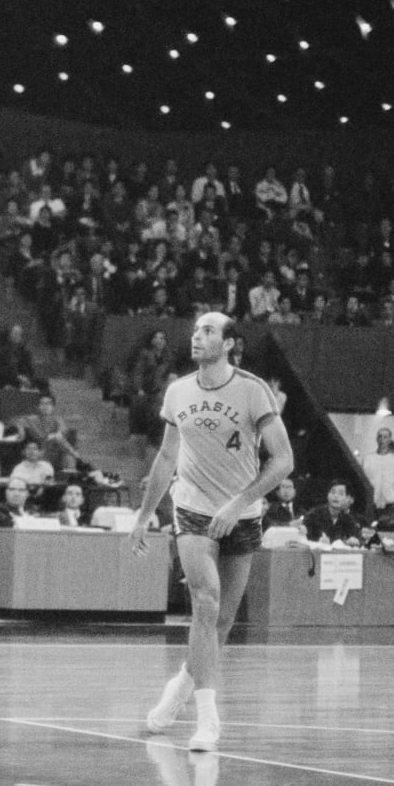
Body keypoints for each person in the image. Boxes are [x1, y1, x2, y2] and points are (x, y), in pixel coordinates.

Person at [130, 312, 292, 752]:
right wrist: (145, 515)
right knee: (205, 602)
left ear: (230, 343)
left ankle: (180, 687)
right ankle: (208, 722)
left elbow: (283, 461)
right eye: (196, 330)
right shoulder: (178, 390)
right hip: (193, 508)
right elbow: (166, 458)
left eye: (207, 331)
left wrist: (238, 504)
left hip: (242, 512)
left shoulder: (253, 390)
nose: (196, 336)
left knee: (219, 625)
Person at [302, 480, 366, 545]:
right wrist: (318, 543)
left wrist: (356, 541)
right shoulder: (314, 515)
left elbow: (360, 539)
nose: (335, 496)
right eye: (333, 492)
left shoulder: (347, 518)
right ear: (327, 495)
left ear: (347, 498)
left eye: (341, 494)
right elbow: (302, 538)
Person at [362, 426, 394, 513]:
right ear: (376, 439)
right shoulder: (368, 459)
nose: (382, 440)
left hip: (390, 503)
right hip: (371, 503)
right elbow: (364, 479)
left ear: (390, 440)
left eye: (385, 437)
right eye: (380, 436)